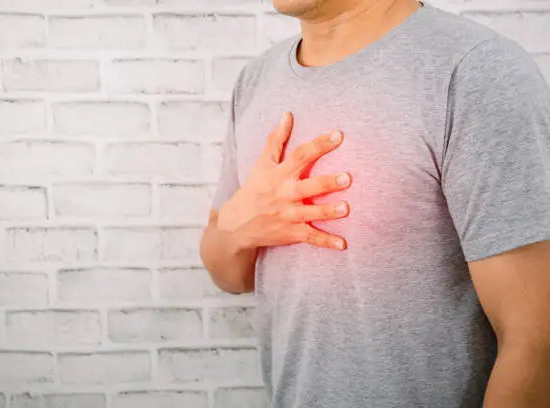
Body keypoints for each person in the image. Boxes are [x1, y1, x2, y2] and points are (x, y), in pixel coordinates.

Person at [199, 0, 550, 406]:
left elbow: (535, 337)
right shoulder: (256, 81)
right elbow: (228, 274)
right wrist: (239, 229)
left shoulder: (474, 72)